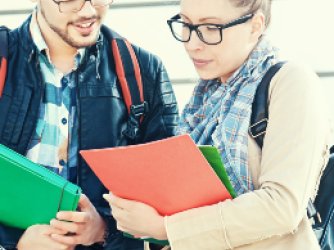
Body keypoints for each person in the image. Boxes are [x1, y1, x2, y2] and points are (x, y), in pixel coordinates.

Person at [103, 0, 331, 249]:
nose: (192, 44)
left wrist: (166, 227)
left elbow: (282, 206)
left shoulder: (290, 82)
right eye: (186, 24)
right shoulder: (204, 100)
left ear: (255, 26)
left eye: (211, 28)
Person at [0, 0, 179, 249]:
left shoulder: (144, 72)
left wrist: (104, 231)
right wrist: (14, 243)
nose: (88, 11)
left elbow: (169, 213)